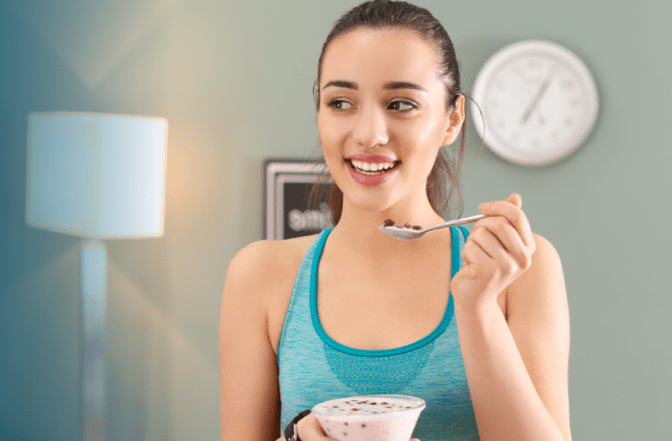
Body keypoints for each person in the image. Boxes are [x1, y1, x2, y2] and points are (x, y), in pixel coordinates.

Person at [219, 0, 571, 439]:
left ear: (452, 119)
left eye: (401, 104)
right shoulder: (261, 275)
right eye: (341, 102)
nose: (368, 133)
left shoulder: (521, 272)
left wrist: (478, 307)